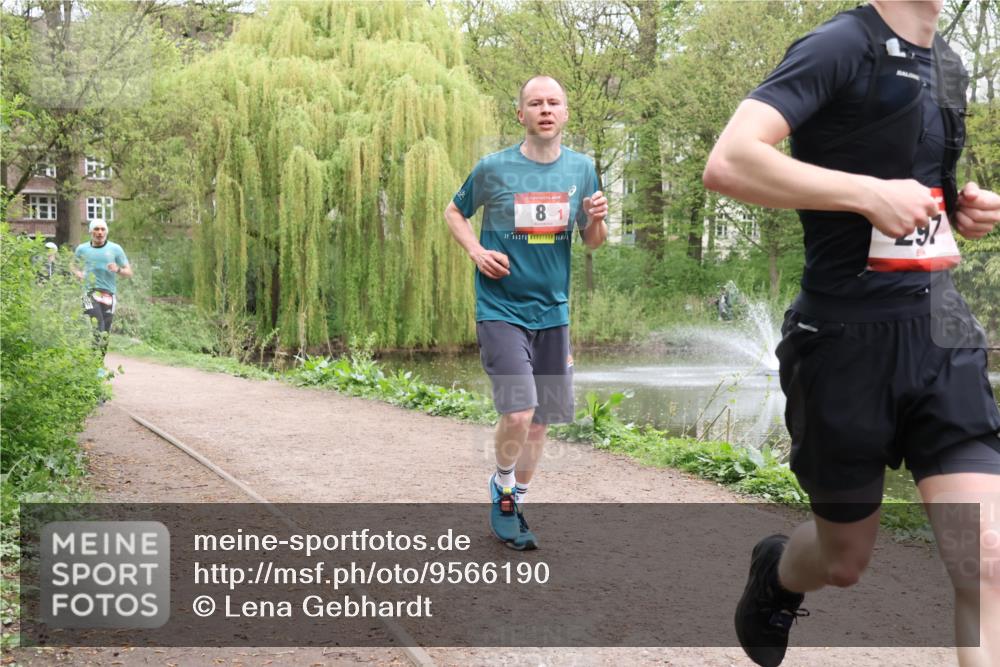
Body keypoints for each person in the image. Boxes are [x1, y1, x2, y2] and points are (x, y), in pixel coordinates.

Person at [703, 2, 1000, 665]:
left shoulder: (948, 62)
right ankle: (777, 572)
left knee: (986, 555)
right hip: (843, 341)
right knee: (843, 559)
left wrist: (962, 209)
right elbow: (729, 161)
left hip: (941, 335)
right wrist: (865, 193)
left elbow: (919, 195)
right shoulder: (840, 45)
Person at [444, 75, 608, 550]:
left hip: (553, 311)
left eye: (554, 102)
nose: (545, 109)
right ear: (521, 114)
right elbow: (454, 212)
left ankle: (516, 499)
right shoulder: (493, 168)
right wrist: (476, 251)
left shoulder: (582, 169)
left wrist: (598, 219)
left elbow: (592, 241)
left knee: (540, 421)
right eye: (536, 103)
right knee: (519, 412)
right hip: (500, 307)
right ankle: (502, 487)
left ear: (566, 113)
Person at [73, 220, 132, 356]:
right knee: (98, 325)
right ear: (90, 231)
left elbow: (129, 272)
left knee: (105, 332)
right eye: (96, 229)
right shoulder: (82, 249)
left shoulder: (115, 249)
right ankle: (92, 360)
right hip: (87, 293)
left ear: (106, 232)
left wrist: (118, 269)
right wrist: (77, 273)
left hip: (108, 294)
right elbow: (72, 265)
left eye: (102, 229)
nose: (100, 232)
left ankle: (98, 362)